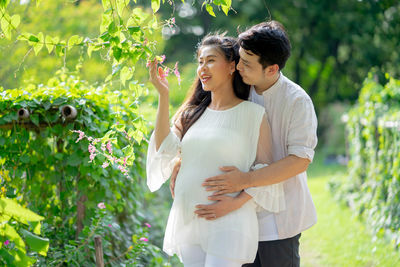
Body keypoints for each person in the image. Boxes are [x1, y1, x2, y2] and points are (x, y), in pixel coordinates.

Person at [171, 21, 318, 267]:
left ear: (271, 69)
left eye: (246, 64)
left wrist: (244, 181)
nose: (239, 67)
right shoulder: (239, 88)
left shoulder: (297, 101)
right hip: (234, 218)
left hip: (277, 218)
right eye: (239, 59)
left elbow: (299, 161)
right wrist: (180, 159)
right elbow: (200, 125)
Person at [146, 34, 286, 267]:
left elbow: (266, 173)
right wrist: (164, 95)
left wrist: (234, 204)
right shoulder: (190, 114)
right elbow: (164, 150)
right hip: (189, 216)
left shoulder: (253, 115)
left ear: (232, 66)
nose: (202, 68)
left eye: (210, 60)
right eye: (200, 61)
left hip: (229, 219)